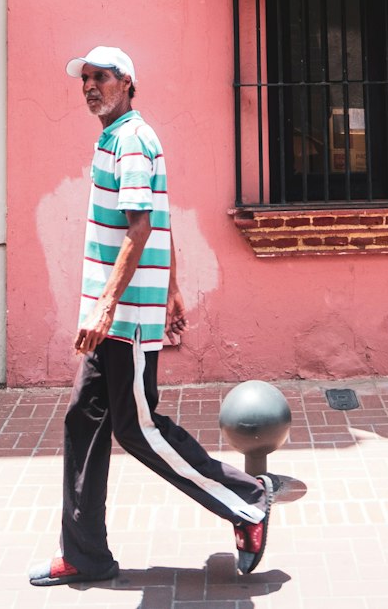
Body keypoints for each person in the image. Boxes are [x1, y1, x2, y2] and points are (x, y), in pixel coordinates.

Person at [28, 46, 273, 587]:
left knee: (139, 429)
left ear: (128, 82)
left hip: (122, 319)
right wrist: (173, 289)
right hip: (116, 315)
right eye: (85, 79)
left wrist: (107, 306)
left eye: (102, 78)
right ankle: (85, 554)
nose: (91, 86)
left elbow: (140, 231)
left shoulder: (133, 141)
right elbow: (156, 223)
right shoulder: (115, 138)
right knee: (84, 424)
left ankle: (248, 501)